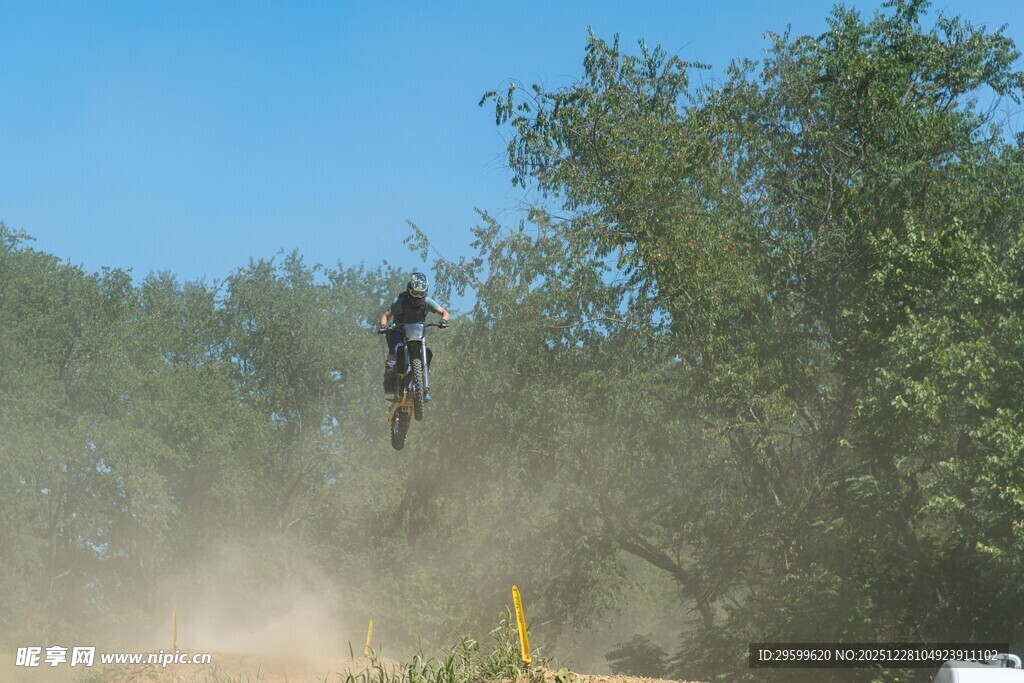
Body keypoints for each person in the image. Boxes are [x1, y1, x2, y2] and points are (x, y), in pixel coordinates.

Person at [378, 272, 450, 398]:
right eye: (415, 293)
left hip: (417, 332)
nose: (417, 296)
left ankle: (422, 387)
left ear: (425, 293)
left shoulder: (427, 302)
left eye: (421, 294)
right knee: (395, 351)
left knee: (427, 353)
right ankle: (389, 380)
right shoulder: (400, 301)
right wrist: (383, 326)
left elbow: (445, 312)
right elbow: (386, 316)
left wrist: (444, 321)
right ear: (408, 289)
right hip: (398, 331)